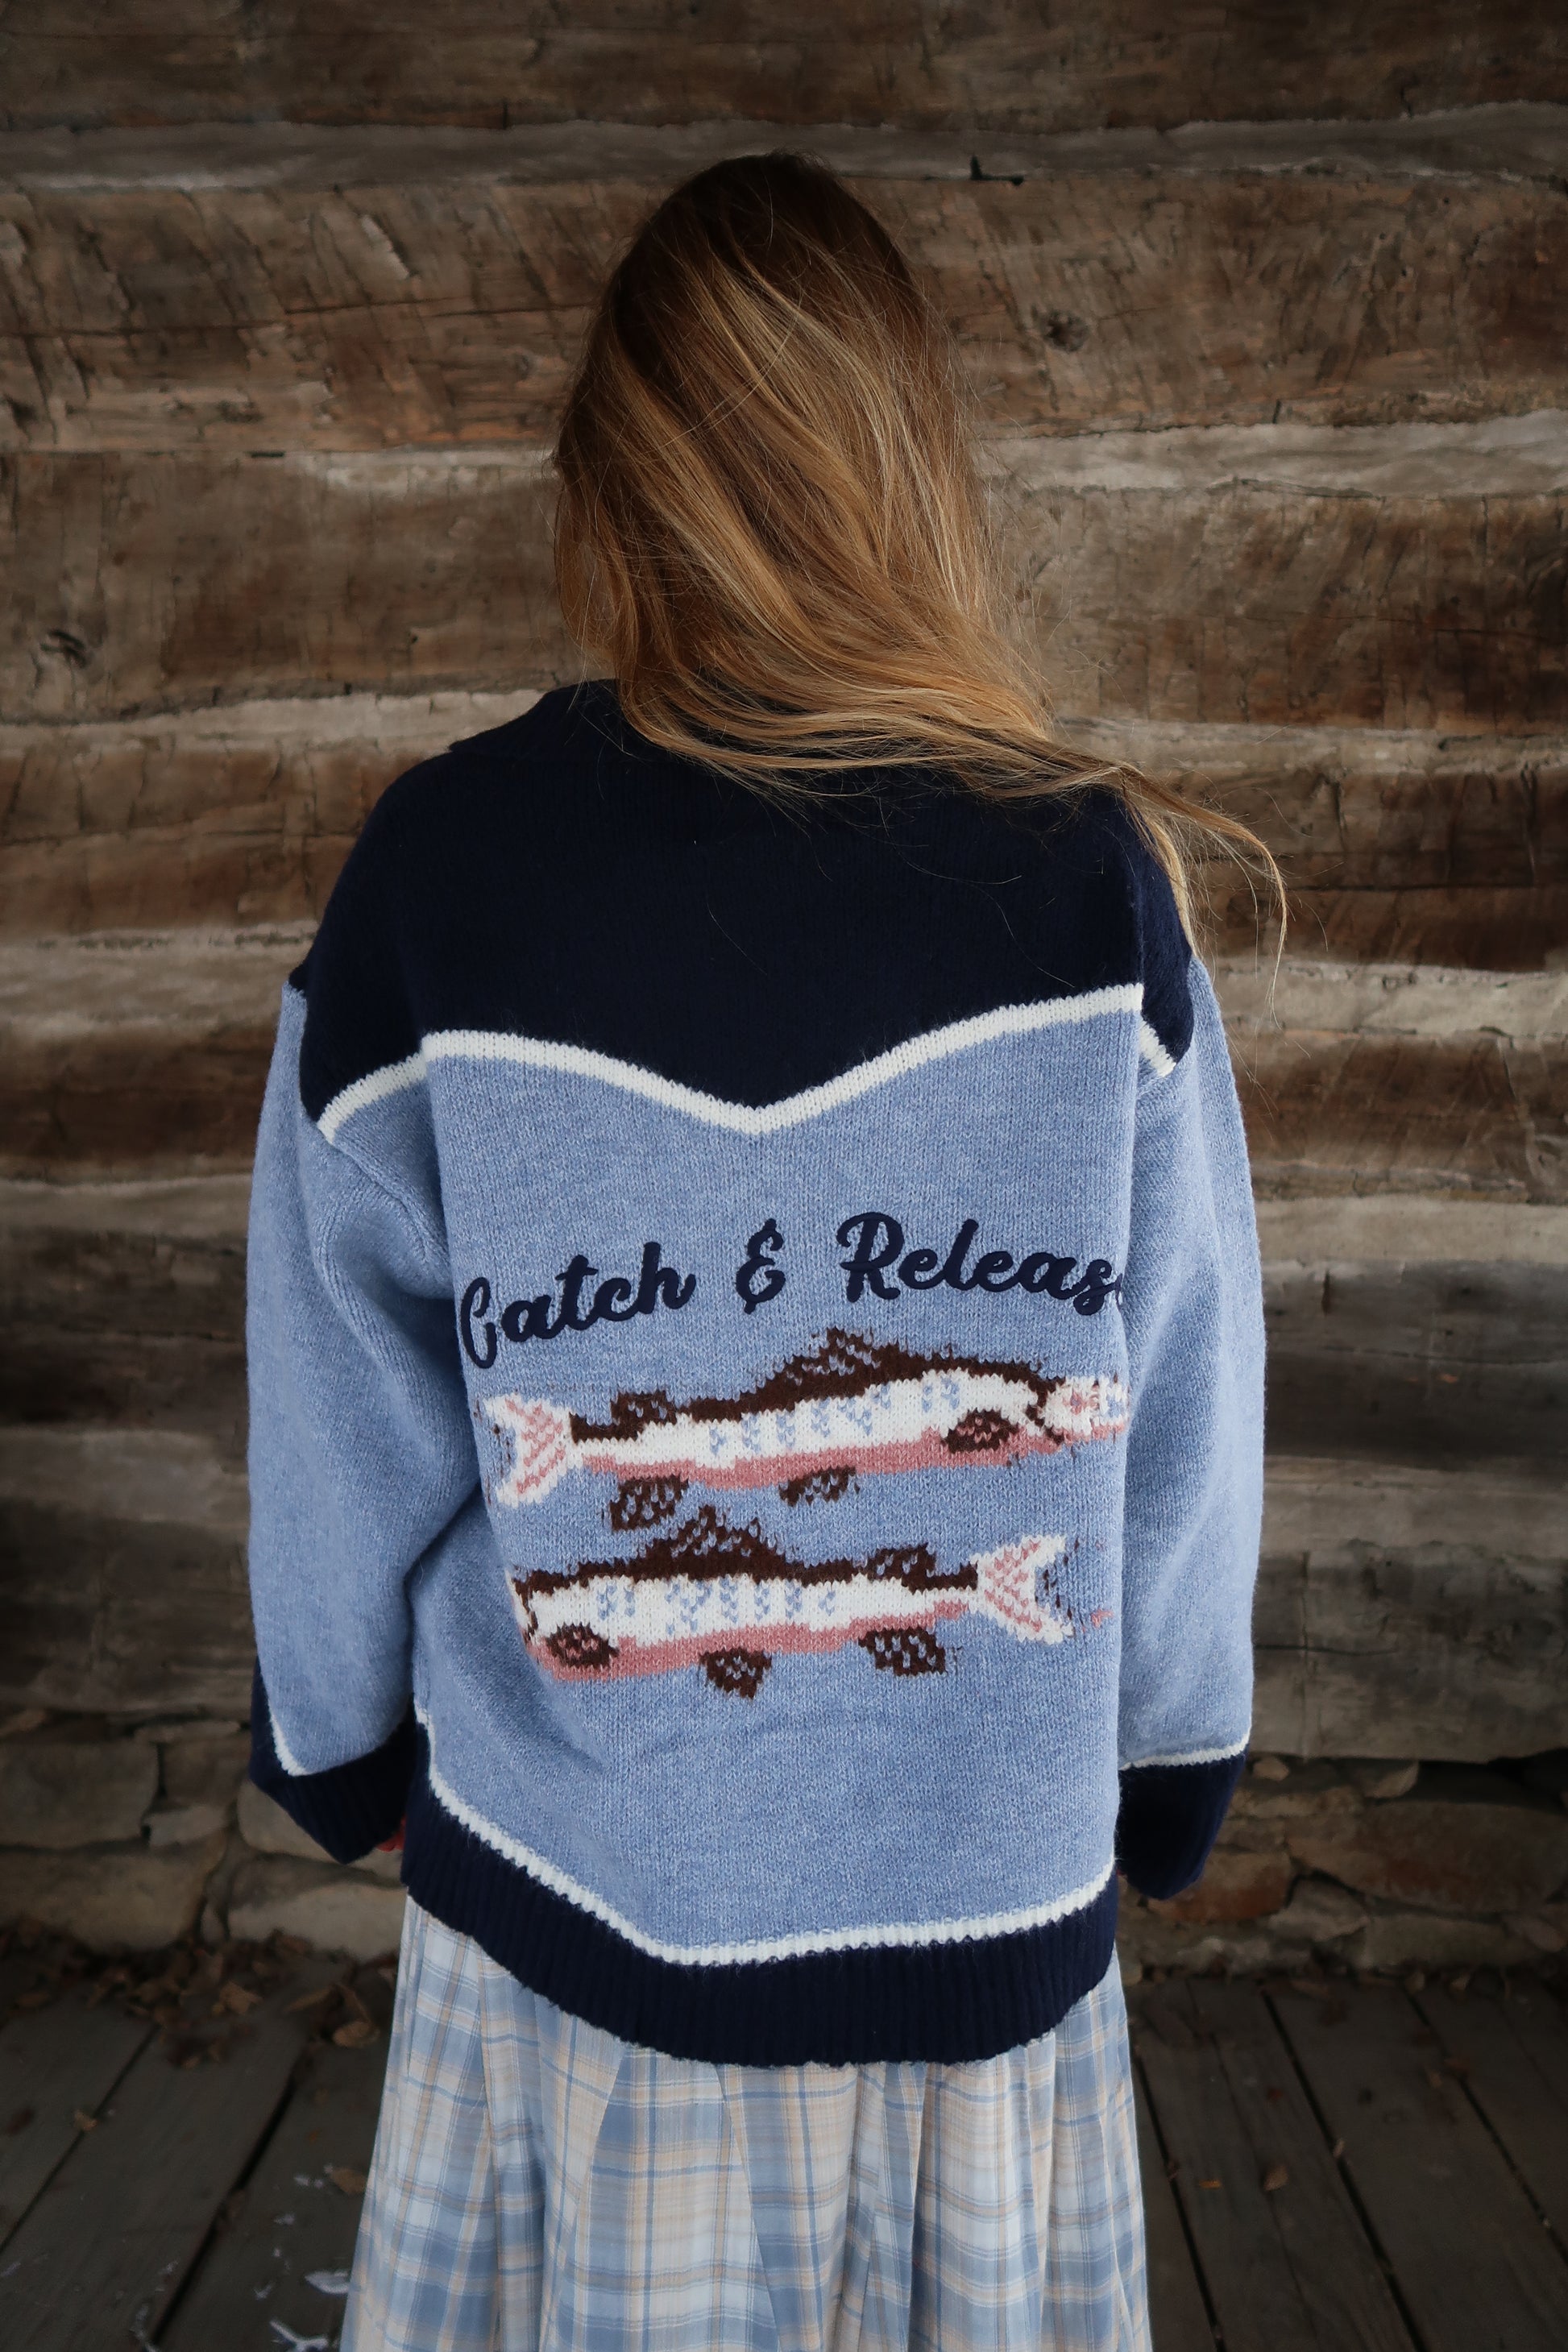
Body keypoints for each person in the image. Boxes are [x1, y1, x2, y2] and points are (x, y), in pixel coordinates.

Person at [245, 149, 1270, 2351]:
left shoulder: (443, 872)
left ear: (605, 483)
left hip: (580, 1926)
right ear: (913, 476)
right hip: (975, 1919)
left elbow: (335, 1382)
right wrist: (1174, 1744)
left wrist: (331, 1742)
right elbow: (1188, 1375)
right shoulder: (1087, 879)